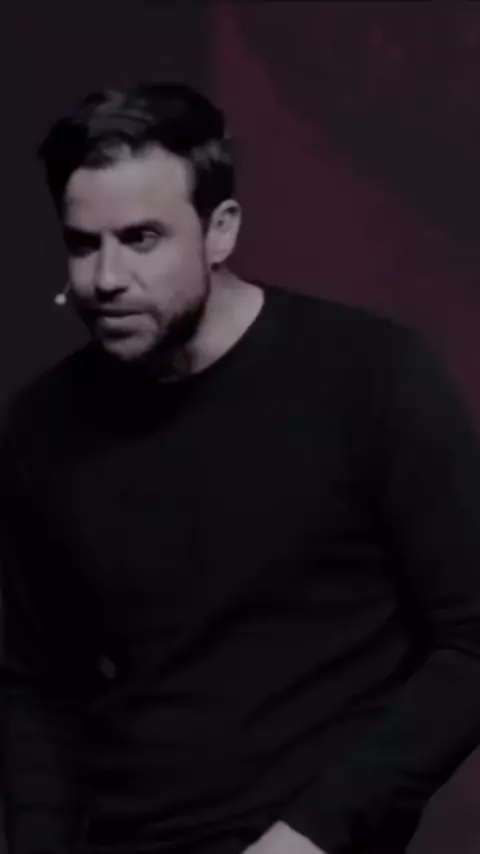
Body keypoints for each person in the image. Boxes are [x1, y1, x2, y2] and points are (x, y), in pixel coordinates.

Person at [1, 82, 480, 854]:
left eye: (141, 238)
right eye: (84, 244)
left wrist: (314, 834)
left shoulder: (372, 379)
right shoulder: (42, 426)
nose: (105, 278)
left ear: (220, 230)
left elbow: (471, 642)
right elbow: (39, 687)